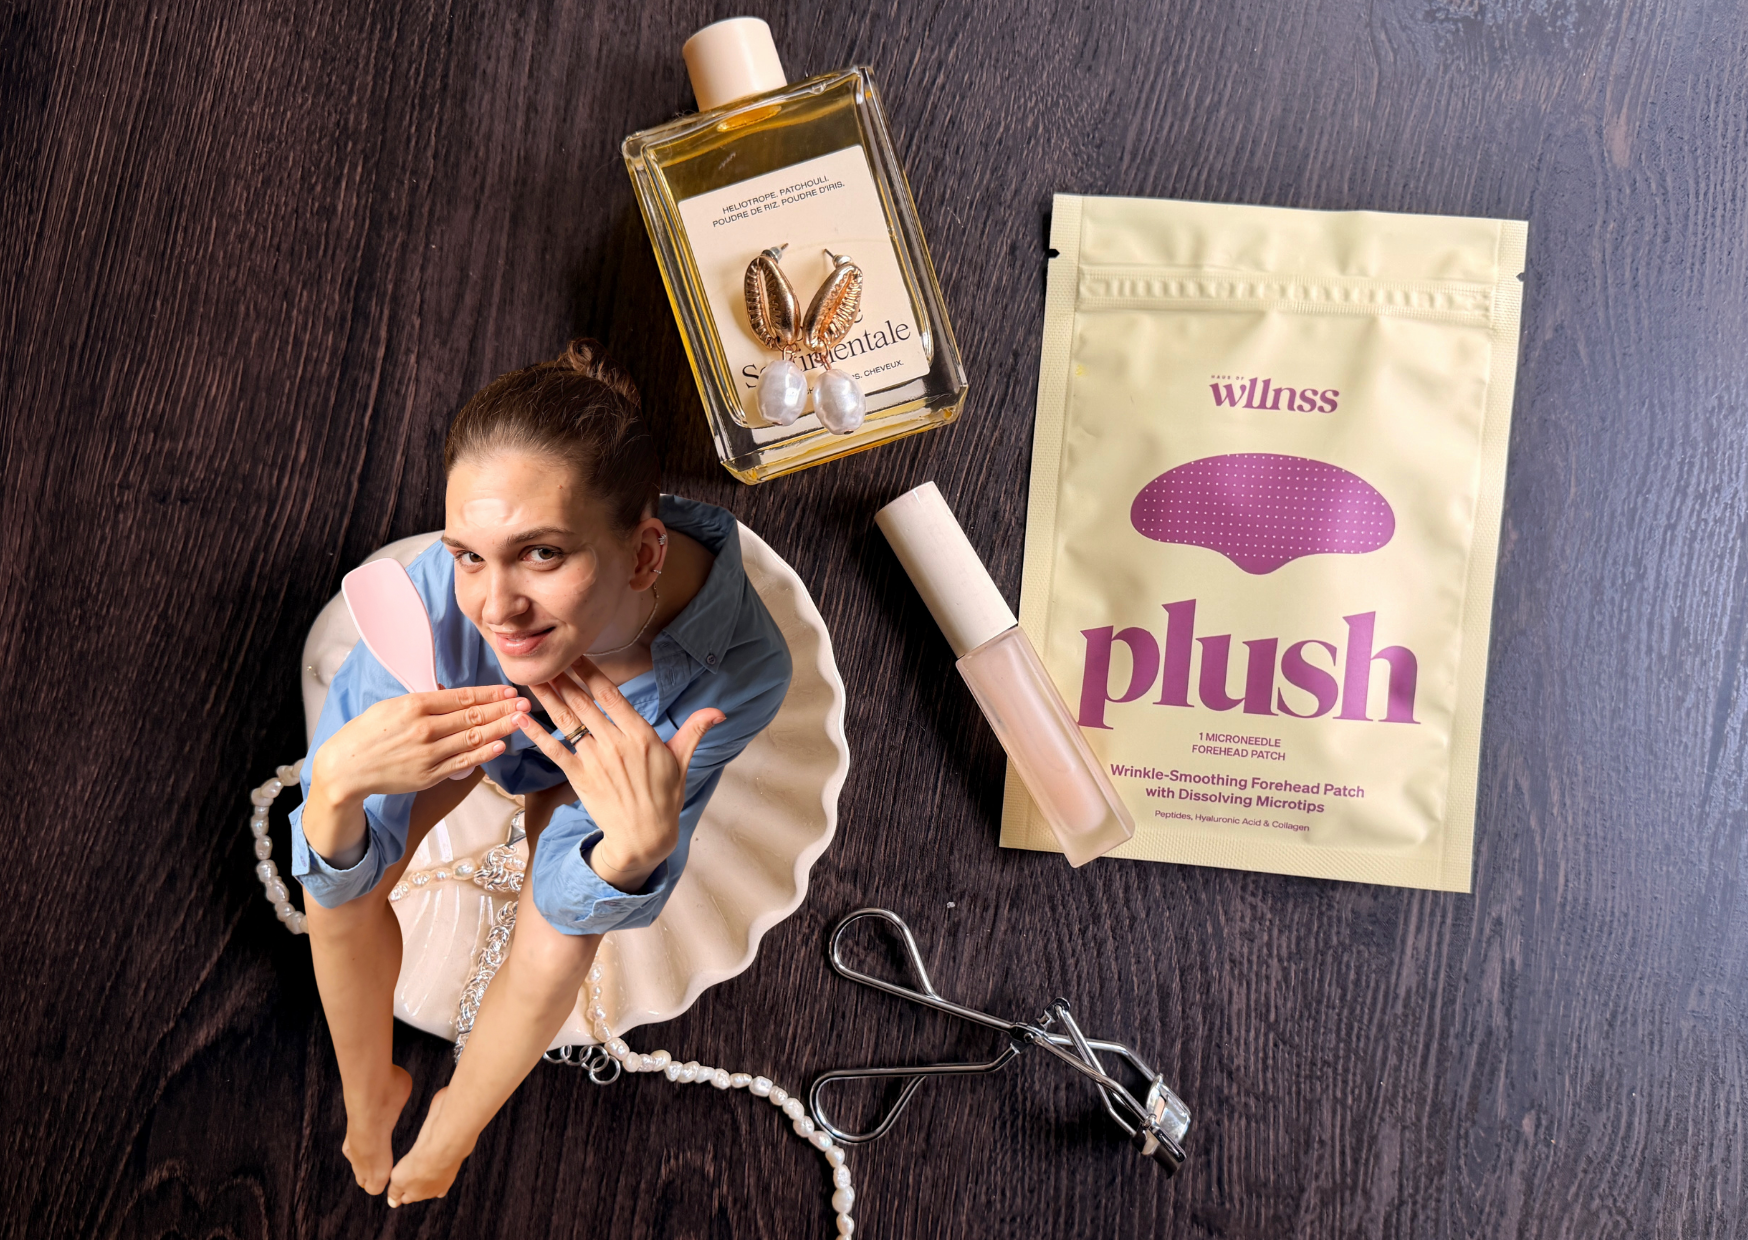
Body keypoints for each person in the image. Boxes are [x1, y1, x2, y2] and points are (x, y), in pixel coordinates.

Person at [287, 339, 792, 1206]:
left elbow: (568, 895)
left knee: (563, 926)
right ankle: (370, 1092)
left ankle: (456, 1123)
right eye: (471, 553)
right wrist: (332, 785)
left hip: (581, 777)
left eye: (543, 555)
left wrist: (627, 859)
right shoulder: (433, 600)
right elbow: (342, 867)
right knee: (337, 882)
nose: (494, 608)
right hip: (473, 734)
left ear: (642, 557)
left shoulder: (738, 668)